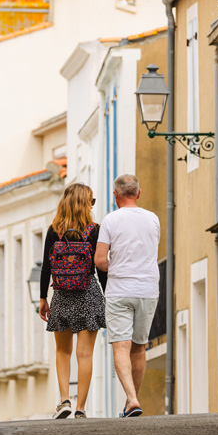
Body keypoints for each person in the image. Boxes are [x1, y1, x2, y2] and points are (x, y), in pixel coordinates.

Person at [39, 183, 107, 419]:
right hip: (88, 293)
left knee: (62, 351)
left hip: (62, 295)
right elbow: (101, 268)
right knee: (85, 354)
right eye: (91, 201)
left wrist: (43, 298)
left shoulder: (54, 231)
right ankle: (81, 408)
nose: (92, 205)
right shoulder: (95, 231)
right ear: (85, 204)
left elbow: (46, 268)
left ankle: (64, 400)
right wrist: (107, 296)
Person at [94, 174, 160, 418]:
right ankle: (133, 400)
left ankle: (131, 399)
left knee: (121, 347)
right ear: (138, 193)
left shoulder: (110, 220)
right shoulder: (153, 219)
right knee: (139, 347)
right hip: (148, 289)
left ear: (115, 195)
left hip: (120, 290)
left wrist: (119, 266)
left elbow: (100, 260)